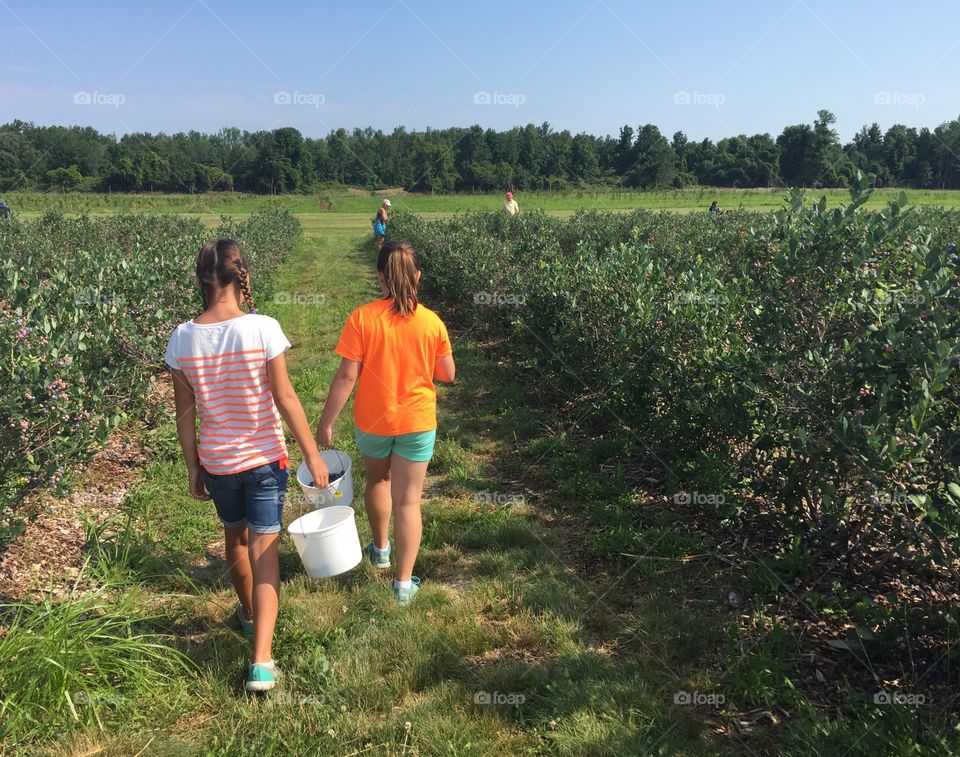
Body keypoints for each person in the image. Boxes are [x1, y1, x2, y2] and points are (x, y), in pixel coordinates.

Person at [165, 239, 329, 693]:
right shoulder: (262, 328)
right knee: (265, 552)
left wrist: (193, 466)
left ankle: (248, 613)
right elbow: (285, 397)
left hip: (218, 462)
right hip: (263, 460)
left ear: (201, 280)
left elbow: (185, 414)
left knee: (234, 539)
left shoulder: (181, 338)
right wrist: (312, 454)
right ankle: (261, 661)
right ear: (243, 277)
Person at [316, 240, 455, 604]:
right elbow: (447, 373)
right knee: (408, 502)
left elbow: (347, 376)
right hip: (417, 423)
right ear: (418, 276)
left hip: (373, 422)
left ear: (379, 276)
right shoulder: (432, 322)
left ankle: (380, 550)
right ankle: (403, 584)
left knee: (378, 479)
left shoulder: (362, 318)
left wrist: (326, 422)